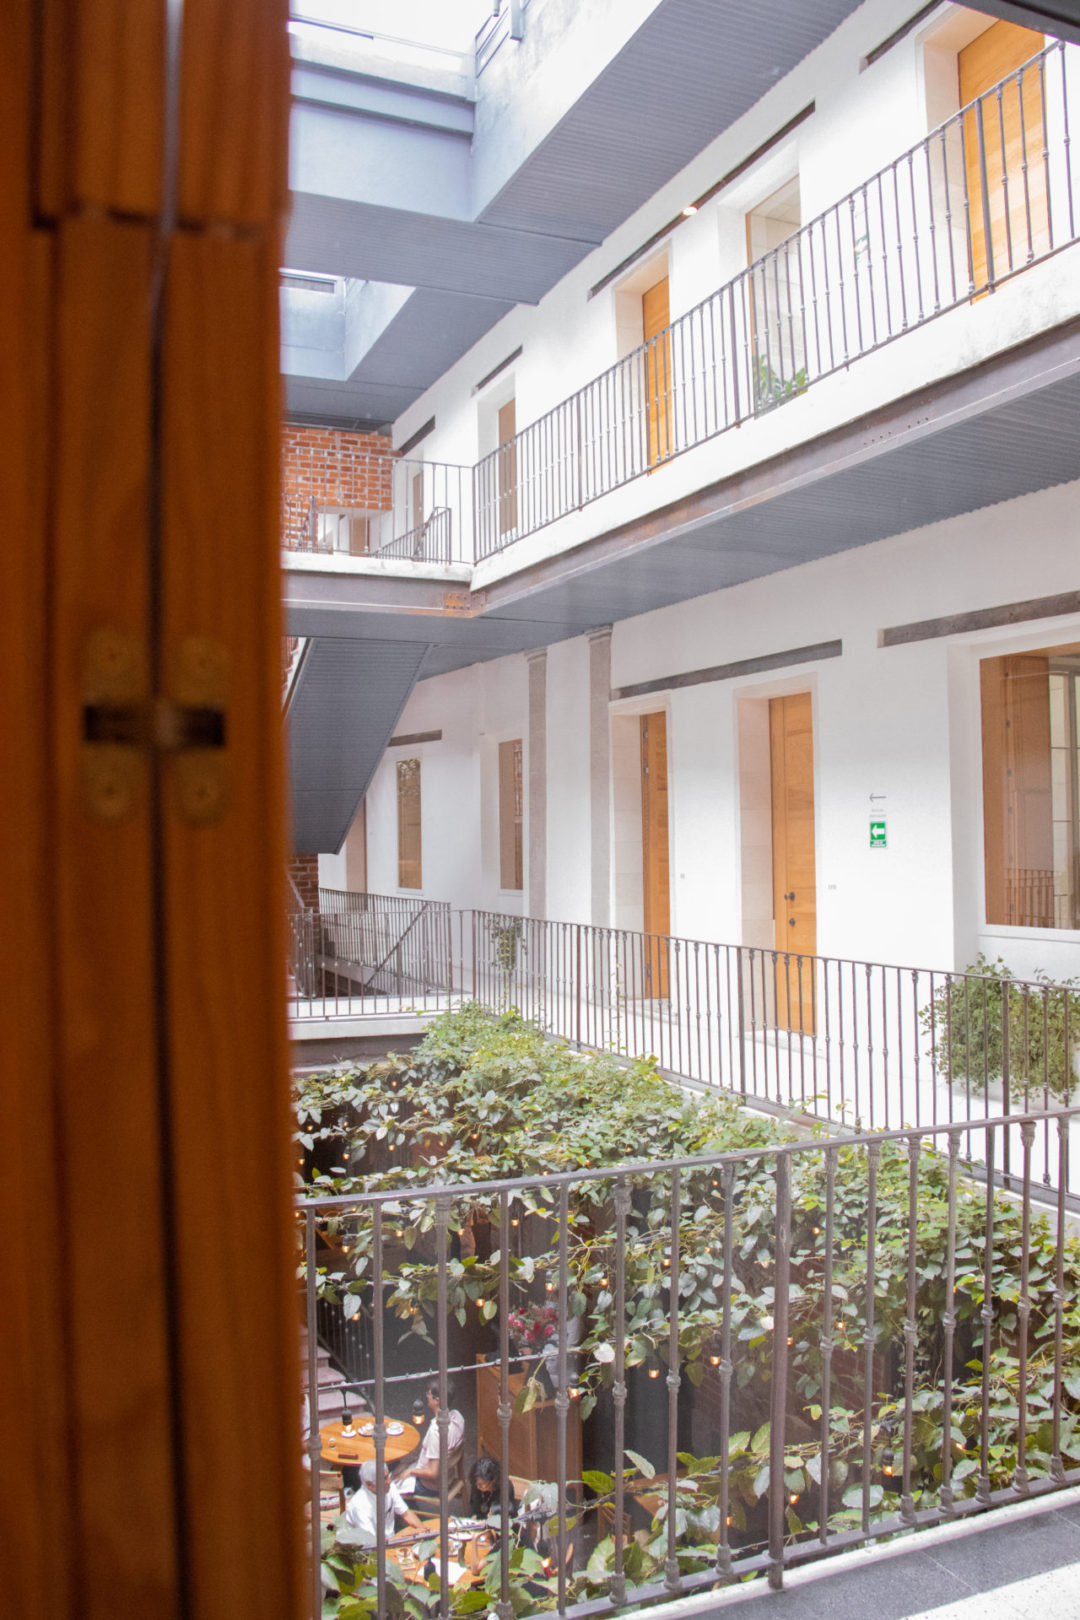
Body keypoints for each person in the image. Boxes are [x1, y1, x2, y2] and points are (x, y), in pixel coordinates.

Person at [396, 1379, 465, 1497]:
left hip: (430, 1486)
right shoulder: (457, 1416)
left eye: (429, 1394)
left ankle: (408, 1509)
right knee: (400, 1468)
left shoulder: (436, 1433)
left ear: (437, 1400)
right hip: (447, 1476)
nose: (427, 1396)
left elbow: (433, 1472)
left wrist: (409, 1471)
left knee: (389, 1486)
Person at [343, 1460, 424, 1548]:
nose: (389, 1481)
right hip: (366, 1551)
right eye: (384, 1479)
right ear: (369, 1484)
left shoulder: (389, 1488)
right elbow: (371, 1544)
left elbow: (405, 1513)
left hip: (390, 1540)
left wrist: (422, 1530)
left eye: (388, 1476)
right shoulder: (359, 1506)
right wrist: (404, 1536)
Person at [467, 1456, 517, 1522]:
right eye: (477, 1484)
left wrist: (494, 1513)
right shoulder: (476, 1485)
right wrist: (473, 1516)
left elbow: (510, 1510)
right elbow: (473, 1504)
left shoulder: (505, 1486)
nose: (477, 1487)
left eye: (482, 1485)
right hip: (480, 1522)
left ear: (493, 1481)